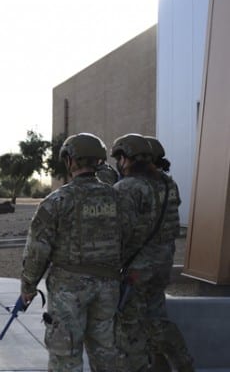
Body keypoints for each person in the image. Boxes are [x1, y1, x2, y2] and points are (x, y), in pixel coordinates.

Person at [19, 133, 133, 372]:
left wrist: (28, 287)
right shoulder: (119, 198)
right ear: (99, 161)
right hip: (108, 288)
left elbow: (37, 251)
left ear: (70, 160)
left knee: (66, 356)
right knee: (106, 353)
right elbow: (131, 240)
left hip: (68, 292)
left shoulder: (57, 200)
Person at [112, 134, 194, 372]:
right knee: (156, 315)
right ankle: (176, 361)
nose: (119, 163)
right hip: (163, 262)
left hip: (137, 269)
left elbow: (122, 233)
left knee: (130, 325)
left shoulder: (126, 188)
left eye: (119, 158)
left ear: (126, 159)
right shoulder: (169, 184)